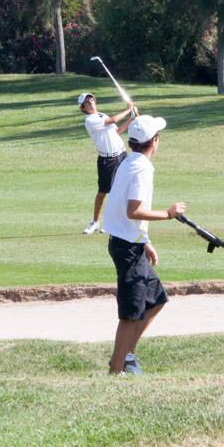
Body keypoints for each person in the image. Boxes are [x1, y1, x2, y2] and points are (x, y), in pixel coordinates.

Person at [102, 115, 186, 375]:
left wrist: (145, 241)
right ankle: (115, 372)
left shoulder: (128, 163)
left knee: (156, 298)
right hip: (127, 248)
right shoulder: (142, 169)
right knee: (130, 313)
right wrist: (168, 214)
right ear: (155, 141)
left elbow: (123, 210)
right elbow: (133, 211)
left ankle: (126, 355)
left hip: (130, 243)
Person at [79, 92, 135, 234]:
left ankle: (116, 222)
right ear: (83, 108)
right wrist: (128, 109)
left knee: (123, 189)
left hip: (122, 155)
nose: (91, 103)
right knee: (102, 193)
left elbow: (118, 131)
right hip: (107, 160)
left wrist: (131, 118)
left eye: (92, 100)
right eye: (87, 102)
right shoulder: (89, 121)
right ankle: (95, 223)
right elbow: (113, 120)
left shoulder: (102, 115)